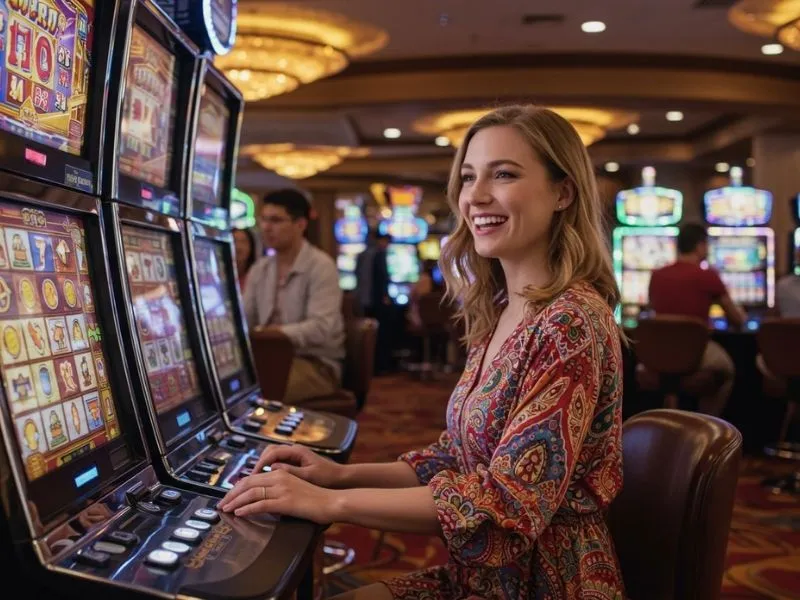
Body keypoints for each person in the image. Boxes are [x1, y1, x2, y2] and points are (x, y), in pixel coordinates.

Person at [220, 105, 627, 599]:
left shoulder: (571, 321)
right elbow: (456, 457)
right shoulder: (505, 309)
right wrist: (339, 476)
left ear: (563, 192)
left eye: (504, 174)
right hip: (475, 581)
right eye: (469, 176)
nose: (474, 196)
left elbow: (508, 507)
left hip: (542, 583)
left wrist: (331, 504)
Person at [243, 189, 345, 403]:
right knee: (228, 388)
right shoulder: (260, 269)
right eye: (263, 220)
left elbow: (321, 328)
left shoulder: (321, 266)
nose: (266, 228)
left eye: (276, 220)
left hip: (315, 363)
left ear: (301, 224)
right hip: (265, 359)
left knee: (258, 392)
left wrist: (272, 334)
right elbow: (245, 320)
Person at [648, 223, 745, 416]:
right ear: (700, 246)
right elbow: (737, 320)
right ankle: (708, 425)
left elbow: (653, 310)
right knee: (728, 369)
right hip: (695, 353)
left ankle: (668, 417)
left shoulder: (657, 275)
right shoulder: (707, 276)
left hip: (659, 353)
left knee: (672, 372)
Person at [355, 231, 392, 372]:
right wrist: (386, 297)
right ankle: (382, 366)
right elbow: (383, 278)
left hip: (363, 301)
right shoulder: (379, 254)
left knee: (368, 335)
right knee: (381, 334)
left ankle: (369, 367)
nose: (387, 245)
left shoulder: (362, 254)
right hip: (377, 300)